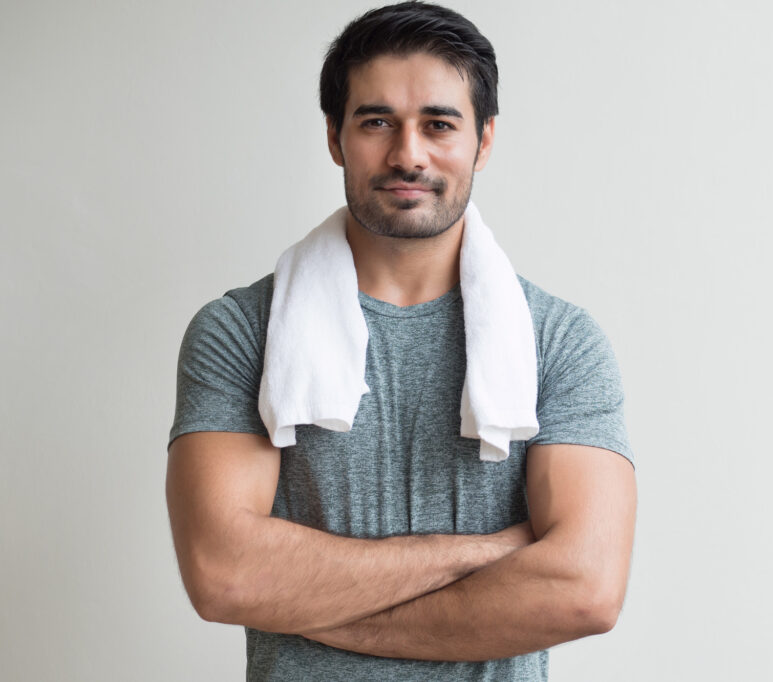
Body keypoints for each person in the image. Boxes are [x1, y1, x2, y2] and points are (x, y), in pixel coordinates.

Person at [165, 2, 636, 680]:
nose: (407, 153)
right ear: (334, 137)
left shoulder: (560, 342)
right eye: (376, 121)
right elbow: (225, 576)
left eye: (439, 124)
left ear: (485, 139)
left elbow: (585, 590)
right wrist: (485, 553)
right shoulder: (241, 331)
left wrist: (319, 605)